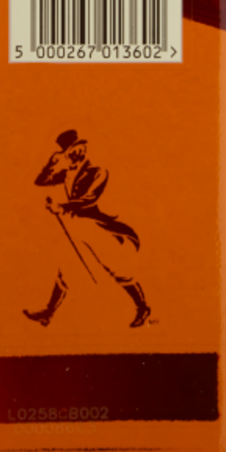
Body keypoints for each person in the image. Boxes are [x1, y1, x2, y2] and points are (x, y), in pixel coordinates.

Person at [24, 130, 151, 328]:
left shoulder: (97, 171)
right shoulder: (67, 173)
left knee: (117, 268)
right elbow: (40, 181)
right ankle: (48, 313)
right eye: (72, 150)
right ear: (67, 153)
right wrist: (51, 162)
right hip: (76, 227)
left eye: (80, 147)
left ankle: (142, 308)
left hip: (95, 226)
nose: (78, 152)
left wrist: (62, 207)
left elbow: (88, 200)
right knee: (65, 270)